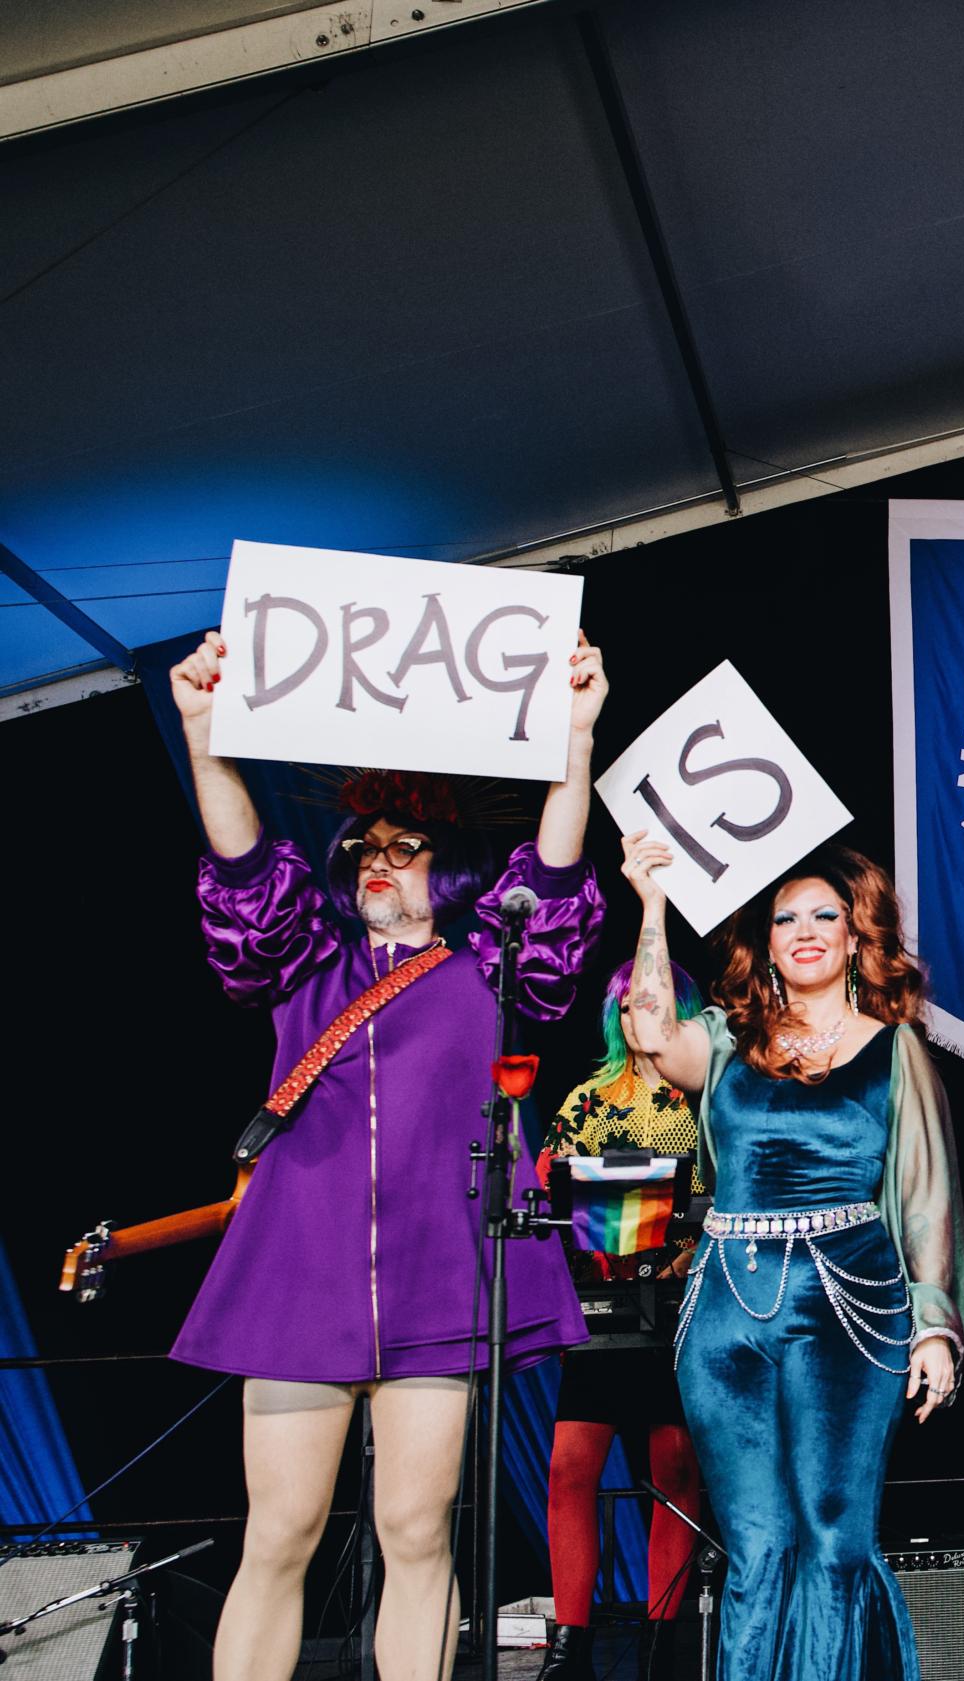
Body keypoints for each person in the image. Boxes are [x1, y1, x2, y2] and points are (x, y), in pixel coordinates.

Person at [166, 629, 608, 1681]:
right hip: (297, 1278)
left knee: (417, 1534)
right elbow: (241, 868)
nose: (377, 860)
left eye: (401, 846)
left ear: (441, 866)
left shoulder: (489, 966)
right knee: (278, 1535)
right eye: (363, 847)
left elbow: (548, 879)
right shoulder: (305, 961)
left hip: (437, 1278)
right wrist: (202, 735)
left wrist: (577, 738)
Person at [619, 835, 964, 1681]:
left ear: (855, 937)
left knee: (833, 1532)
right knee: (757, 1544)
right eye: (786, 918)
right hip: (725, 1314)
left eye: (826, 915)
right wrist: (652, 900)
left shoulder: (894, 1046)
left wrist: (933, 1327)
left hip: (849, 1306)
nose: (806, 929)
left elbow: (926, 1194)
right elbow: (648, 1028)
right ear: (766, 941)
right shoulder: (727, 1041)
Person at [532, 960, 712, 1681]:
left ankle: (661, 1647)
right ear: (617, 1015)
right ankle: (568, 1646)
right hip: (603, 1308)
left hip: (682, 1306)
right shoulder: (588, 1097)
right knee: (569, 1466)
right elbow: (548, 1192)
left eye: (660, 1003)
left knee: (673, 1468)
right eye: (633, 1003)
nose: (646, 1015)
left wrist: (695, 1244)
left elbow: (733, 1190)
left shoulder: (708, 1095)